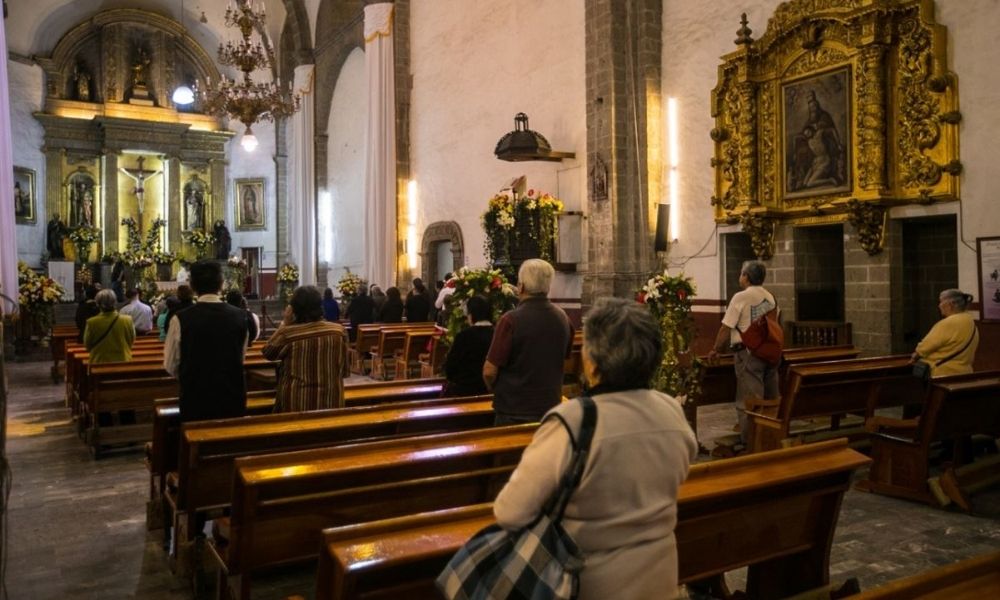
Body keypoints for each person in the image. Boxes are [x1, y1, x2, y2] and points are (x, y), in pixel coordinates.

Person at [493, 298, 698, 600]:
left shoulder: (574, 420)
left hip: (590, 584)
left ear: (593, 360)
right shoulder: (670, 411)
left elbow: (510, 512)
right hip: (659, 579)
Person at [483, 259, 573, 424]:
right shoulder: (563, 318)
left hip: (514, 410)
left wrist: (497, 389)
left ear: (521, 286)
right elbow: (565, 363)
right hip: (550, 408)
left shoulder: (510, 320)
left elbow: (489, 371)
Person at [164, 261, 252, 422]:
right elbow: (240, 357)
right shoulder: (241, 316)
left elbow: (171, 365)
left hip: (195, 397)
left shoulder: (180, 319)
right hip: (232, 396)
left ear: (192, 285)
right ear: (221, 284)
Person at [708, 260, 779, 446]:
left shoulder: (741, 297)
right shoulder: (770, 297)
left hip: (749, 354)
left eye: (741, 273)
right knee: (770, 400)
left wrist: (716, 349)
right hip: (769, 353)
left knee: (749, 402)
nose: (740, 276)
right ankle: (769, 439)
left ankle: (752, 444)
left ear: (746, 277)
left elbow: (726, 328)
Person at [262, 286, 350, 412]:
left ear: (294, 309)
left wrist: (285, 324)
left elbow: (268, 353)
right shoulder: (339, 331)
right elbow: (345, 371)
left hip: (296, 405)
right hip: (332, 404)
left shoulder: (288, 334)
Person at [912, 289, 979, 377]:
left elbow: (925, 347)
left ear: (950, 304)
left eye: (941, 302)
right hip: (965, 373)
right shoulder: (971, 322)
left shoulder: (948, 323)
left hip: (943, 373)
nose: (939, 305)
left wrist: (915, 355)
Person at [443, 295, 494, 397]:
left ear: (471, 315)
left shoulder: (464, 336)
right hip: (491, 391)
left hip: (465, 392)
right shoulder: (497, 333)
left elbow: (450, 368)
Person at [83, 289, 136, 364]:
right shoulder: (127, 320)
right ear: (115, 302)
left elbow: (87, 345)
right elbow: (131, 340)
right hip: (123, 360)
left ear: (98, 304)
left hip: (99, 361)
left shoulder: (91, 322)